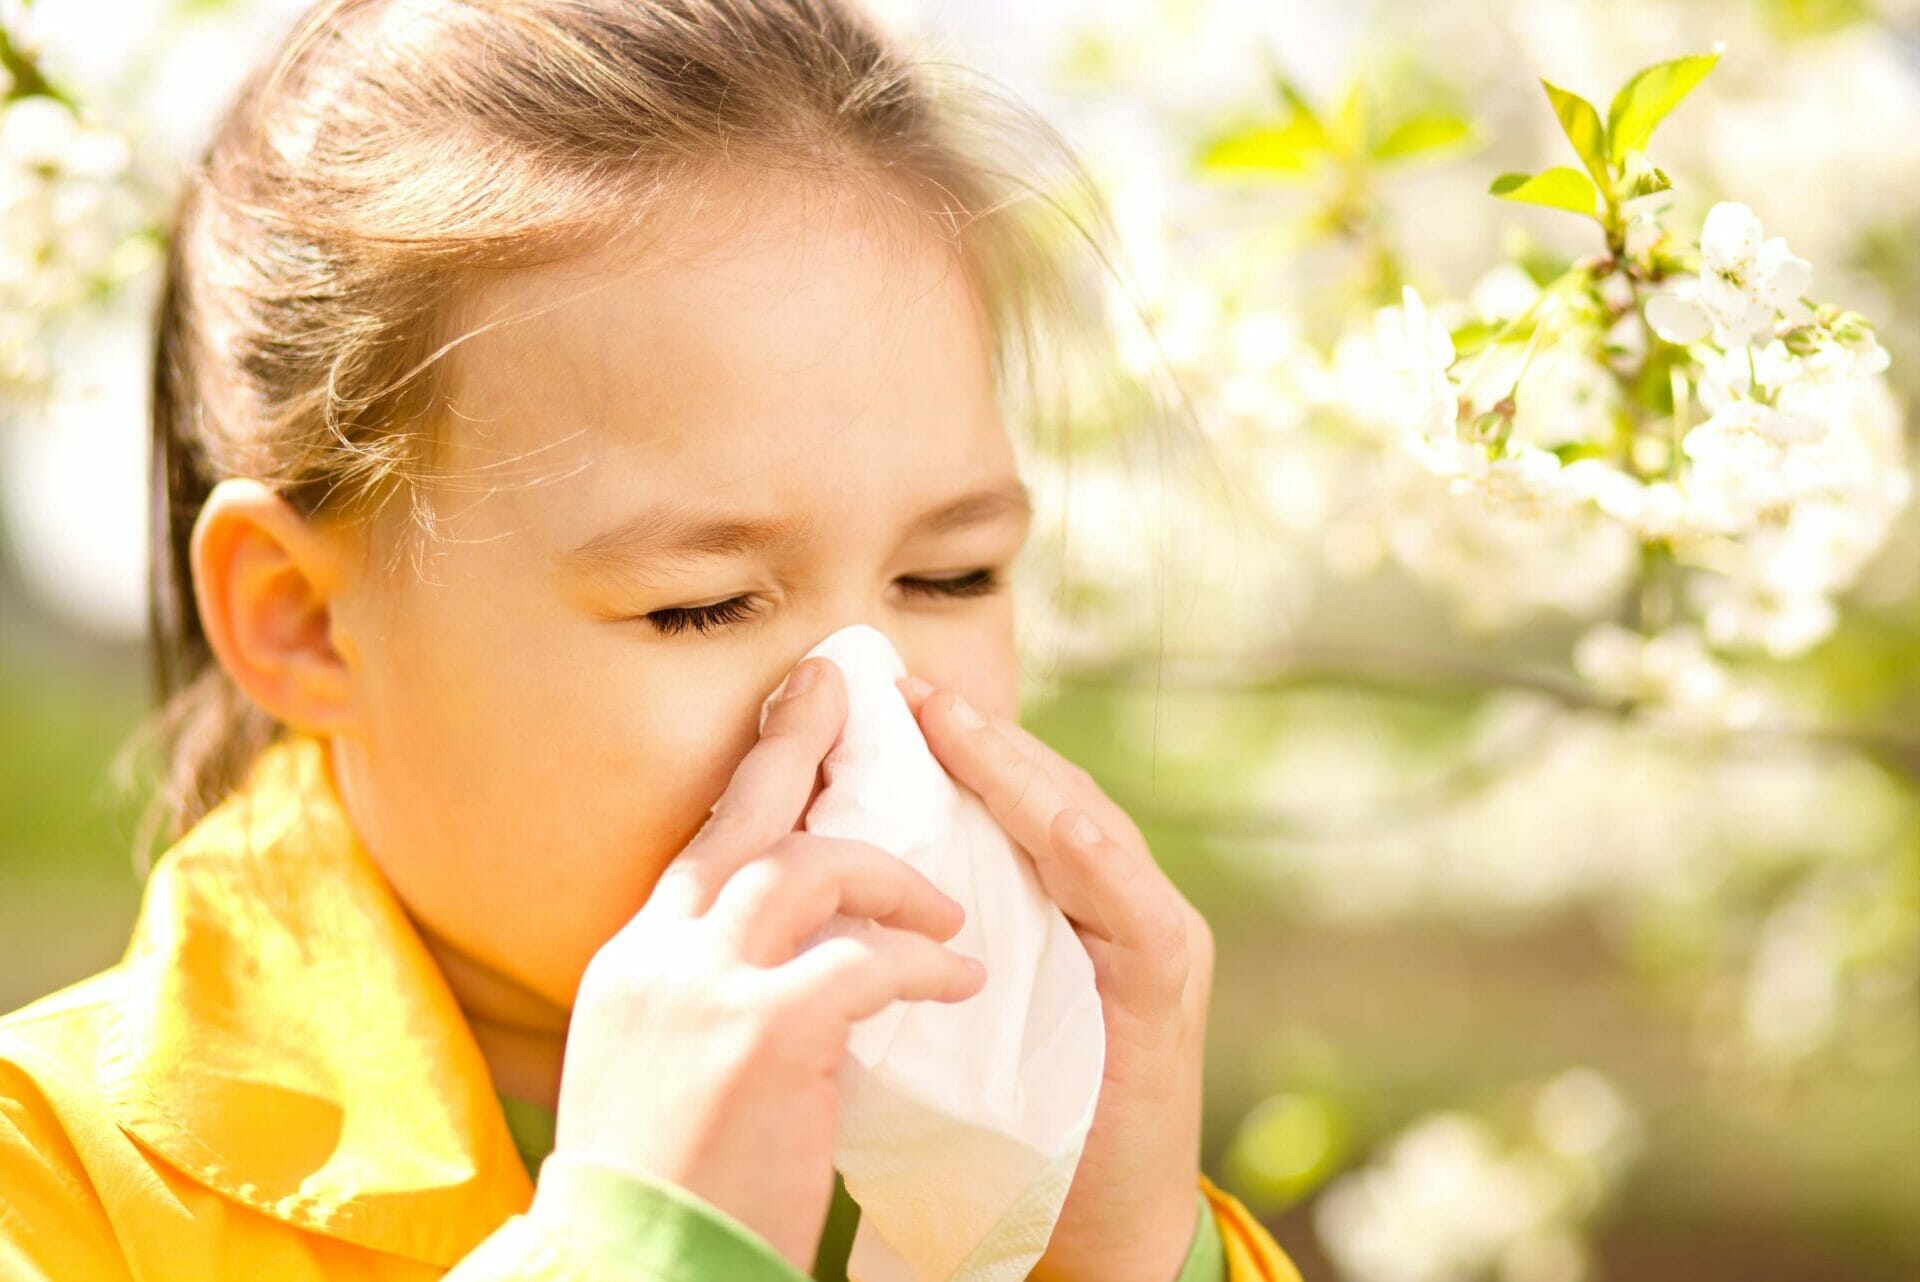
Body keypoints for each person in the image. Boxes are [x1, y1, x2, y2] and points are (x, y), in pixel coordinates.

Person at [0, 1, 1303, 1279]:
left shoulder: (1008, 1143)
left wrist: (1118, 1251)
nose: (865, 714)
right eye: (702, 604)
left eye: (951, 575)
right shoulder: (50, 1183)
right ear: (305, 623)